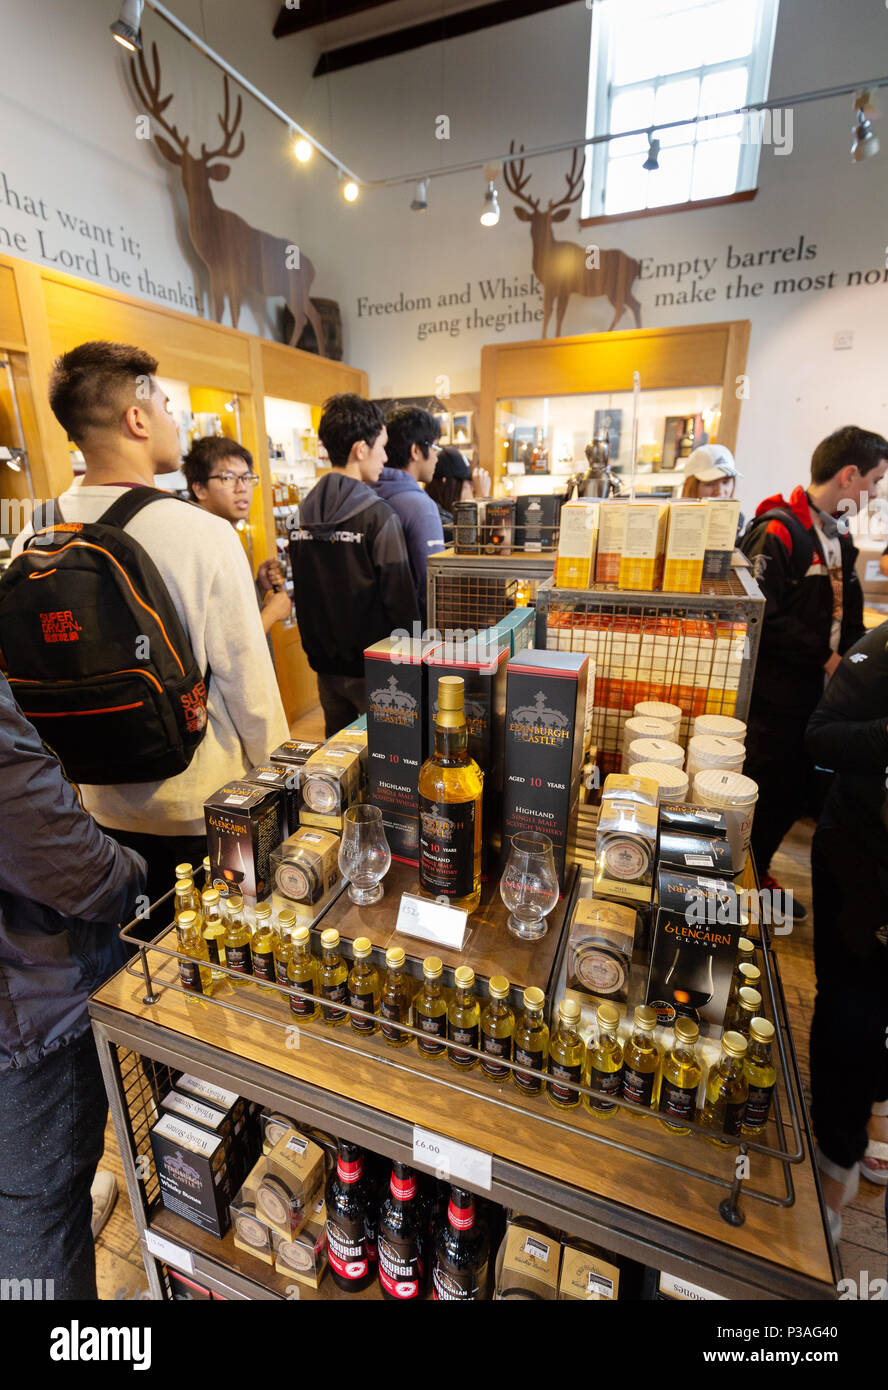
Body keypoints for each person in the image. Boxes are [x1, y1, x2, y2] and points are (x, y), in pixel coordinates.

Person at [12, 341, 289, 905]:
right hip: (205, 807)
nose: (171, 419)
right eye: (164, 405)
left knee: (141, 970)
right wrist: (287, 792)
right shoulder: (202, 534)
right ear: (136, 417)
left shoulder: (33, 536)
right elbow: (249, 691)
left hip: (91, 807)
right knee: (226, 953)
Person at [0, 672, 146, 1300]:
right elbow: (62, 856)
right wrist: (137, 876)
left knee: (26, 1201)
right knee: (39, 1212)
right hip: (25, 1013)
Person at [738, 425, 888, 920]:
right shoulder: (777, 529)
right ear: (850, 475)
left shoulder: (838, 534)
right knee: (766, 789)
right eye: (876, 480)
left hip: (819, 698)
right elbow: (758, 613)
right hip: (775, 698)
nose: (875, 493)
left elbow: (850, 614)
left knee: (796, 792)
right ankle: (742, 885)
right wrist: (825, 660)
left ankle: (758, 874)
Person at [805, 620, 888, 1235]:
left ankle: (873, 1113)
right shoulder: (882, 650)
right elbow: (821, 737)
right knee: (851, 1013)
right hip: (863, 859)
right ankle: (835, 1174)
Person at [289, 393, 420, 737]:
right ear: (361, 449)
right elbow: (401, 602)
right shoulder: (377, 516)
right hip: (377, 669)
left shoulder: (301, 514)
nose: (386, 457)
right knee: (388, 756)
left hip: (324, 667)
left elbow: (302, 591)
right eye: (382, 447)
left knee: (338, 759)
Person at [183, 436, 292, 636]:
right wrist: (272, 612)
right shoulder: (204, 541)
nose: (242, 488)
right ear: (199, 488)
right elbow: (225, 641)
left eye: (247, 477)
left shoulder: (223, 533)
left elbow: (230, 614)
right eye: (227, 477)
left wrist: (258, 587)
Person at [372, 406, 445, 622]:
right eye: (435, 448)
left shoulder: (363, 494)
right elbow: (432, 585)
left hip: (369, 631)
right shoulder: (420, 506)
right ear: (415, 451)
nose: (436, 458)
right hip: (410, 637)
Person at [424, 446, 492, 546]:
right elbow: (470, 545)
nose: (472, 491)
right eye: (468, 485)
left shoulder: (438, 511)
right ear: (447, 483)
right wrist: (482, 499)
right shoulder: (439, 519)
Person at [680, 444, 745, 530]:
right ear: (691, 486)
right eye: (710, 484)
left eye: (725, 482)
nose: (720, 491)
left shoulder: (737, 521)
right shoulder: (674, 521)